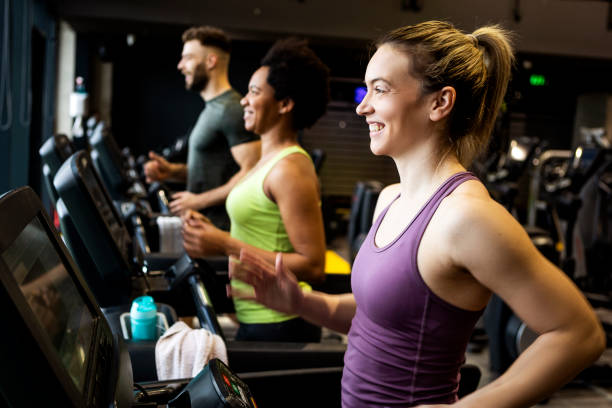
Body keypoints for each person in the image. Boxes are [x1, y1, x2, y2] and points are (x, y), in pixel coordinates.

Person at [228, 21, 606, 407]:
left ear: (439, 103)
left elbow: (579, 333)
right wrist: (301, 303)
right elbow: (380, 316)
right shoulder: (390, 198)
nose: (363, 106)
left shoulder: (466, 217)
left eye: (381, 88)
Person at [182, 38, 330, 342]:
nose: (244, 101)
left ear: (285, 104)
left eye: (254, 92)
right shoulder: (267, 160)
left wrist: (224, 243)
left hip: (282, 322)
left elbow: (313, 265)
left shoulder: (291, 168)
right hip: (257, 315)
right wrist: (211, 232)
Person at [144, 26, 261, 230]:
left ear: (211, 61)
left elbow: (252, 171)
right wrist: (171, 171)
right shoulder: (213, 108)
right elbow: (213, 171)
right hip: (202, 229)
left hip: (221, 230)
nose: (181, 66)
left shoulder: (231, 109)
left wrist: (199, 201)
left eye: (188, 58)